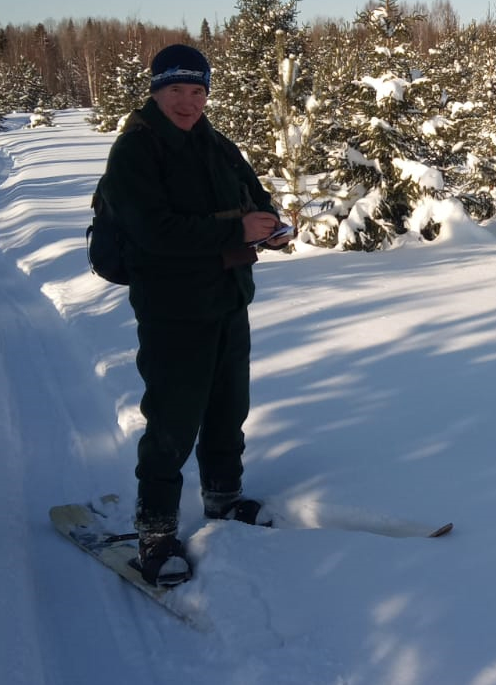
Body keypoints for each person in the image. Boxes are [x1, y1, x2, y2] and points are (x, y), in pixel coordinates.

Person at [100, 44, 291, 586]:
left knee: (228, 408)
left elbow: (255, 201)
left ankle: (223, 499)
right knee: (172, 421)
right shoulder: (136, 150)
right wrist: (235, 231)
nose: (188, 102)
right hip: (172, 307)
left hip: (228, 299)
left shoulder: (217, 144)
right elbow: (151, 231)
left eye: (198, 90)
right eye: (177, 90)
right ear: (156, 91)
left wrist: (271, 229)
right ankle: (156, 532)